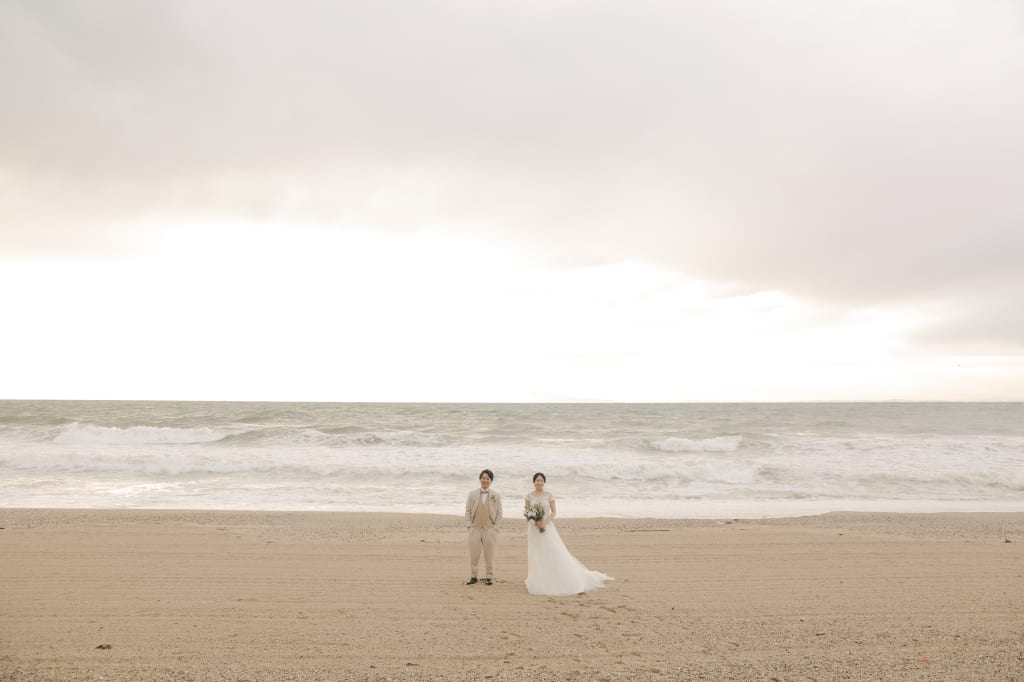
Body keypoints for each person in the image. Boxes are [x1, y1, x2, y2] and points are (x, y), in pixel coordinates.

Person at [524, 472, 612, 596]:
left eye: (541, 480)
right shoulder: (529, 496)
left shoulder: (549, 495)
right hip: (533, 529)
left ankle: (559, 577)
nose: (539, 482)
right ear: (534, 482)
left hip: (547, 526)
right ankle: (539, 578)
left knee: (553, 550)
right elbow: (527, 512)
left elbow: (554, 512)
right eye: (537, 480)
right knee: (537, 552)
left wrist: (544, 522)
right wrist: (535, 522)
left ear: (544, 482)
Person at [465, 468, 503, 585]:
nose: (485, 480)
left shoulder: (496, 495)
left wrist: (495, 529)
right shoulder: (472, 494)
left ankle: (489, 577)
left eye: (487, 478)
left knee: (489, 555)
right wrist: (469, 526)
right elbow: (468, 511)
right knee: (474, 554)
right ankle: (473, 576)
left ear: (491, 480)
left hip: (489, 529)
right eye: (483, 478)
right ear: (480, 479)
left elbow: (499, 513)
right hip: (475, 529)